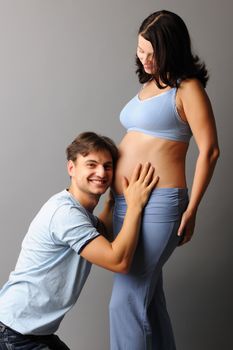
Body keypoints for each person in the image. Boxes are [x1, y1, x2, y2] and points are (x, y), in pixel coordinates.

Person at [109, 10, 220, 350]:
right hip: (127, 203)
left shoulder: (187, 89)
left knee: (125, 303)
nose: (144, 59)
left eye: (151, 53)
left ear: (171, 49)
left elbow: (210, 150)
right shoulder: (148, 85)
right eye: (140, 51)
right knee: (150, 303)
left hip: (160, 204)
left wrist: (193, 210)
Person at [0, 131, 159, 350]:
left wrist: (115, 202)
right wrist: (134, 206)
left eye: (108, 166)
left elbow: (100, 233)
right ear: (72, 168)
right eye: (91, 165)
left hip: (30, 331)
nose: (101, 172)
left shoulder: (80, 213)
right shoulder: (66, 213)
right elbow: (118, 261)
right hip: (15, 332)